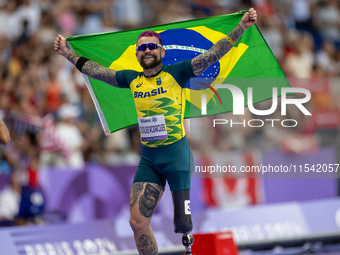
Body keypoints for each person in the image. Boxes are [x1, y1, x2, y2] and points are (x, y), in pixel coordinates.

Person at [54, 8, 257, 254]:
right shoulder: (131, 78)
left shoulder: (178, 72)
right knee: (137, 223)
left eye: (151, 46)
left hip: (176, 156)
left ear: (162, 52)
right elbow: (96, 71)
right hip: (149, 159)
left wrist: (241, 27)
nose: (147, 50)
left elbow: (214, 54)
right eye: (142, 48)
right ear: (137, 55)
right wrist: (67, 54)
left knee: (183, 224)